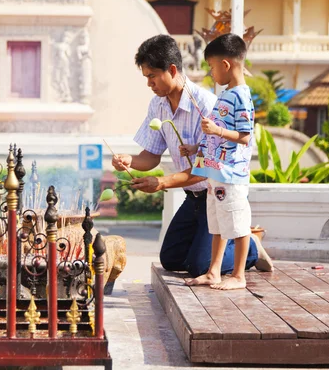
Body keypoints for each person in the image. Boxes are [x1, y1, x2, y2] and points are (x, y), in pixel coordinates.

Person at [112, 34, 270, 278]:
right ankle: (223, 248)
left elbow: (208, 165)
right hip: (192, 199)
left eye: (152, 76)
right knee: (171, 259)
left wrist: (163, 182)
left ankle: (250, 246)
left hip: (214, 192)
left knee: (199, 266)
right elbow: (151, 156)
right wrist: (129, 161)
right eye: (146, 78)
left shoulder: (208, 105)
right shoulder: (158, 105)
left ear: (172, 69)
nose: (149, 84)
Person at [178, 33, 259, 290]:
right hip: (216, 174)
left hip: (231, 174)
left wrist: (217, 131)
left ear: (226, 65)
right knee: (217, 223)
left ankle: (238, 275)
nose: (211, 73)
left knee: (237, 223)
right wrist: (195, 147)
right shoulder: (225, 95)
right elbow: (216, 132)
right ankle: (214, 271)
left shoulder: (241, 97)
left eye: (212, 67)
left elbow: (245, 136)